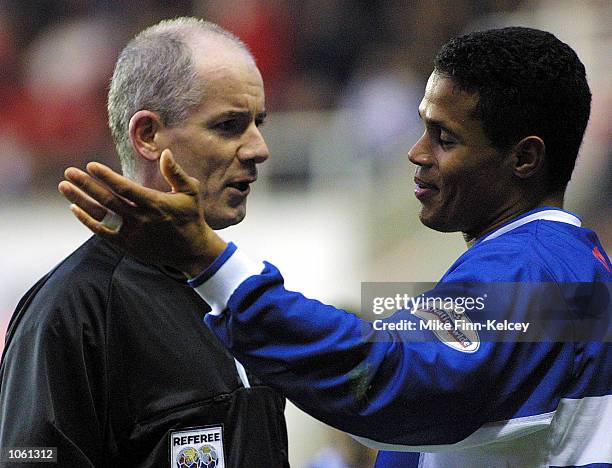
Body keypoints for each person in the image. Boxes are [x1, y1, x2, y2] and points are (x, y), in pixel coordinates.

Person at [59, 27, 611, 467]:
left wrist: (213, 264)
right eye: (423, 128)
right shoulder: (565, 275)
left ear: (524, 159)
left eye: (444, 138)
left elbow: (391, 380)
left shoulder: (542, 279)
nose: (416, 154)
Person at [0, 17, 290, 467]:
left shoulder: (239, 291)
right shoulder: (72, 311)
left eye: (258, 123)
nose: (258, 148)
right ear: (148, 136)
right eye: (230, 125)